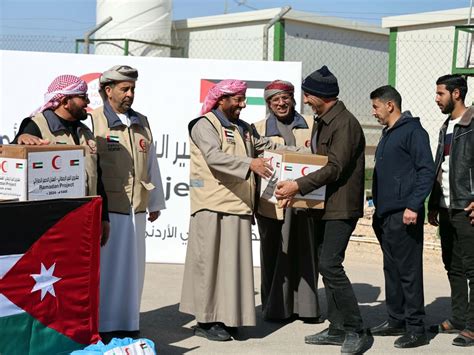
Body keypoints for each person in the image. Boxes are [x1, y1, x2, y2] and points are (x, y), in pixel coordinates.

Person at [179, 79, 303, 342]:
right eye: (237, 99)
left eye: (244, 98)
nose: (242, 104)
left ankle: (228, 318)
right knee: (209, 266)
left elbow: (268, 147)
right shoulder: (204, 125)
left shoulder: (244, 128)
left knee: (233, 268)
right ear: (221, 99)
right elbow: (213, 156)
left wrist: (302, 153)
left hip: (238, 205)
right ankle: (205, 320)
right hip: (211, 205)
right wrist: (250, 164)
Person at [275, 66, 368, 354]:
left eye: (307, 94)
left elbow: (335, 167)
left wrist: (297, 186)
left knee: (330, 265)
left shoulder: (345, 124)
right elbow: (318, 161)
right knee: (324, 266)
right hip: (322, 206)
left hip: (341, 207)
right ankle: (337, 327)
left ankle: (355, 328)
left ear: (320, 95)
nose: (304, 100)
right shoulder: (323, 120)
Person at [90, 65, 166, 335]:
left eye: (133, 88)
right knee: (107, 272)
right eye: (124, 88)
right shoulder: (94, 120)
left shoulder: (141, 121)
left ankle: (128, 324)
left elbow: (151, 163)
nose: (130, 94)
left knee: (134, 272)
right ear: (108, 91)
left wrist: (155, 201)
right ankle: (102, 324)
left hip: (137, 210)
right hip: (110, 210)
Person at [369, 85, 434, 348]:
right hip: (385, 215)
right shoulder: (389, 133)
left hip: (404, 214)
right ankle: (396, 319)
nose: (373, 112)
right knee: (392, 269)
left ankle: (416, 328)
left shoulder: (413, 132)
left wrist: (413, 206)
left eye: (375, 107)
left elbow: (426, 171)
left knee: (408, 272)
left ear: (390, 105)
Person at [12, 74, 110, 246]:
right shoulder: (36, 126)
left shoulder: (85, 132)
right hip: (50, 226)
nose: (87, 103)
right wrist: (22, 138)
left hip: (85, 221)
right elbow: (15, 161)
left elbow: (97, 176)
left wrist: (104, 217)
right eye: (83, 97)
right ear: (65, 101)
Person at [252, 80, 320, 322]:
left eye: (285, 98)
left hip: (305, 202)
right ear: (268, 103)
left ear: (292, 99)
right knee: (274, 253)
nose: (281, 103)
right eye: (275, 99)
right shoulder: (257, 128)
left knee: (305, 252)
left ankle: (307, 308)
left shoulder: (312, 125)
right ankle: (275, 308)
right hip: (271, 204)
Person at [428, 74, 474, 347]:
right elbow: (440, 168)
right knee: (453, 265)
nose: (436, 99)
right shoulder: (447, 125)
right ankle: (458, 318)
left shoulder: (471, 124)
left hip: (466, 206)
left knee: (472, 268)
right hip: (446, 207)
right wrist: (434, 203)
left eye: (440, 93)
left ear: (456, 94)